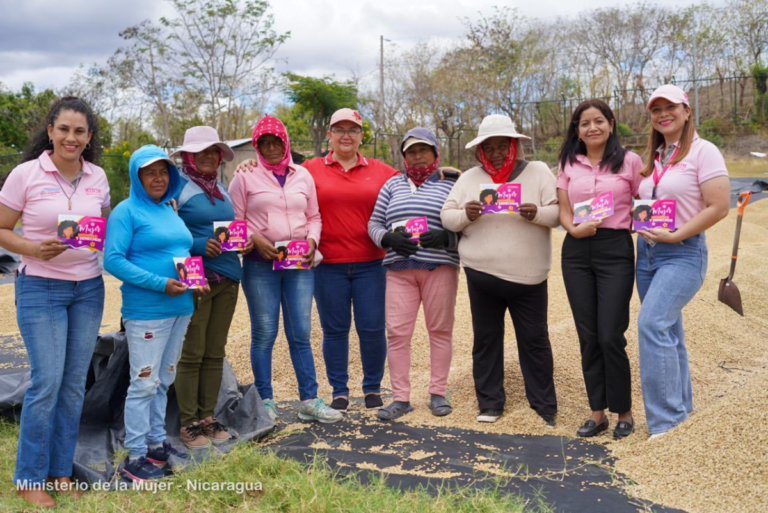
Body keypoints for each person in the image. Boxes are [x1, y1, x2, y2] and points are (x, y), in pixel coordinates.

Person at [0, 96, 110, 507]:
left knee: (73, 385)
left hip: (88, 288)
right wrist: (31, 247)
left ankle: (60, 471)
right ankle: (29, 478)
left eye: (79, 131)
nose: (71, 137)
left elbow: (102, 225)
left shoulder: (97, 176)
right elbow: (1, 228)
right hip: (40, 288)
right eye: (63, 128)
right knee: (46, 381)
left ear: (89, 137)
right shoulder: (26, 174)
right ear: (50, 130)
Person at [441, 114, 560, 427]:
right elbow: (447, 217)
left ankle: (544, 407)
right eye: (488, 147)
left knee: (534, 340)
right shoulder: (469, 178)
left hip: (529, 277)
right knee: (486, 340)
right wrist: (466, 214)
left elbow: (558, 213)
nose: (495, 152)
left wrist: (537, 213)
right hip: (482, 274)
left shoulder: (537, 172)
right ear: (480, 150)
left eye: (502, 146)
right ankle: (491, 403)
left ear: (514, 146)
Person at [104, 145, 209, 482]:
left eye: (163, 171)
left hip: (180, 307)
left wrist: (196, 278)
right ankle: (134, 458)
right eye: (150, 172)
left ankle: (155, 445)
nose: (158, 178)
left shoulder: (168, 208)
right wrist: (159, 283)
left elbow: (178, 250)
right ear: (137, 176)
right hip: (148, 310)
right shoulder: (126, 211)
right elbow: (113, 260)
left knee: (163, 381)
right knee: (144, 383)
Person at [229, 115, 342, 423]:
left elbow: (314, 216)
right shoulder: (244, 177)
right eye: (263, 143)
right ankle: (265, 401)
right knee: (264, 332)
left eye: (275, 141)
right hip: (259, 265)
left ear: (286, 143)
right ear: (256, 146)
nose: (270, 148)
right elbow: (235, 221)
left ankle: (309, 400)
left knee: (301, 333)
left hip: (298, 264)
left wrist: (313, 242)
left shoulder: (303, 176)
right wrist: (254, 239)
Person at [635, 85, 729, 439]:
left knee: (652, 323)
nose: (663, 113)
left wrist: (675, 235)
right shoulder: (654, 157)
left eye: (670, 107)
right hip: (646, 254)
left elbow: (719, 206)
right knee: (669, 331)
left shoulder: (705, 152)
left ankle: (666, 423)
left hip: (683, 251)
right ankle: (682, 413)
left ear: (687, 110)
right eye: (655, 109)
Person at [556, 99, 644, 439]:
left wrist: (644, 219)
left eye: (598, 121)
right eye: (584, 123)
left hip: (615, 250)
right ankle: (597, 412)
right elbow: (565, 210)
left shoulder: (630, 161)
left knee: (610, 334)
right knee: (588, 336)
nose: (591, 128)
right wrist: (573, 229)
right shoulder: (568, 162)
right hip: (576, 250)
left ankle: (624, 411)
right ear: (576, 130)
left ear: (611, 123)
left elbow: (645, 198)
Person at [367, 128, 460, 421]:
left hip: (439, 267)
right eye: (411, 151)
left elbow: (465, 221)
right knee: (397, 333)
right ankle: (400, 398)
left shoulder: (451, 183)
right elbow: (374, 222)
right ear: (404, 156)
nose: (418, 156)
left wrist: (447, 238)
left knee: (440, 330)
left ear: (435, 153)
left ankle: (438, 393)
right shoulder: (392, 185)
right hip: (399, 268)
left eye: (424, 150)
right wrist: (386, 239)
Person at [170, 126, 245, 448]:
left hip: (227, 276)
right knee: (192, 353)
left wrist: (239, 242)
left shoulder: (223, 189)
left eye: (213, 151)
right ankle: (188, 423)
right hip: (195, 279)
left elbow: (229, 227)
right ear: (188, 155)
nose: (207, 157)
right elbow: (168, 234)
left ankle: (208, 417)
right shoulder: (178, 189)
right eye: (199, 151)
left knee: (215, 352)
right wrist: (199, 244)